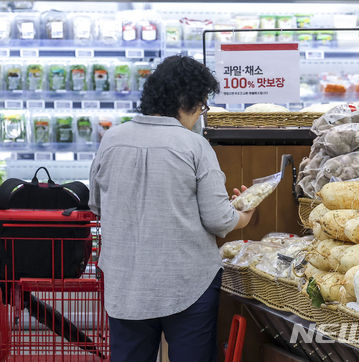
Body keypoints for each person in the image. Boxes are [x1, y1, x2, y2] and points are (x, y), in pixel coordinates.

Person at [88, 55, 255, 362]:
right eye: (202, 105)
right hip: (187, 284)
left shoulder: (111, 139)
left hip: (126, 283)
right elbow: (219, 221)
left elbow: (97, 206)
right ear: (187, 100)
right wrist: (244, 213)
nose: (200, 114)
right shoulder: (194, 146)